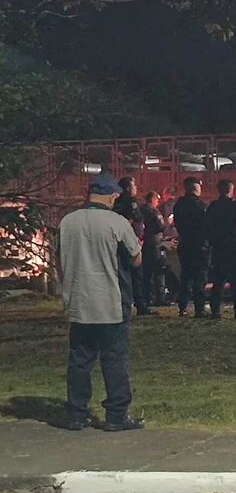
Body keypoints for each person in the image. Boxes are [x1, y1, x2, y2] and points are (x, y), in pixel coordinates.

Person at [56, 173, 145, 431]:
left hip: (78, 303)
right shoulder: (116, 223)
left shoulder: (67, 222)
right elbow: (136, 259)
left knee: (80, 360)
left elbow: (59, 260)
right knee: (114, 359)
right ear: (112, 195)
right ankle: (116, 416)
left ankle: (76, 414)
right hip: (110, 303)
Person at [205, 179, 236, 320]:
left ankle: (215, 312)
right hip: (234, 246)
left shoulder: (213, 207)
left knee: (218, 281)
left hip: (219, 247)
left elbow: (207, 227)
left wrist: (212, 242)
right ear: (231, 190)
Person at [114, 177, 156, 316]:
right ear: (127, 188)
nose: (136, 188)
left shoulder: (116, 201)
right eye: (134, 186)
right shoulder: (130, 202)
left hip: (119, 242)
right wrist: (137, 238)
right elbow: (134, 219)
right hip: (131, 242)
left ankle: (122, 304)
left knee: (122, 275)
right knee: (137, 275)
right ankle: (141, 305)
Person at [173, 177, 209, 318]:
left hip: (185, 244)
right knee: (200, 277)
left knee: (186, 276)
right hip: (199, 245)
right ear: (196, 187)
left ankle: (182, 308)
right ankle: (199, 309)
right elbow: (206, 226)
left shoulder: (179, 205)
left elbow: (178, 223)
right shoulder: (200, 205)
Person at [141, 191, 166, 307]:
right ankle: (159, 297)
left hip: (145, 244)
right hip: (155, 244)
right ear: (152, 199)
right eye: (157, 200)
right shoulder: (153, 211)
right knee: (159, 270)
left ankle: (147, 297)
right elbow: (161, 225)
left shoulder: (141, 210)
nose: (158, 202)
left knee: (146, 272)